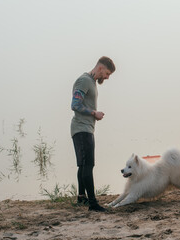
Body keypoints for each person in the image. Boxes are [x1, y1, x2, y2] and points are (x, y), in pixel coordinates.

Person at [71, 56, 116, 212]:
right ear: (100, 68)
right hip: (82, 128)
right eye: (107, 73)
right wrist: (94, 113)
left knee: (83, 165)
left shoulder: (92, 82)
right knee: (88, 165)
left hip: (84, 128)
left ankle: (81, 197)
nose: (107, 77)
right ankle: (93, 204)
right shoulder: (84, 81)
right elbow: (75, 104)